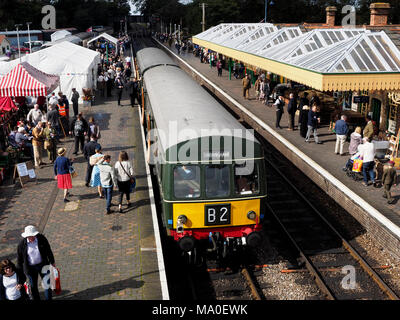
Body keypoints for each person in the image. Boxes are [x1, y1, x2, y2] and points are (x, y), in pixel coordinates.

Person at [17, 225, 55, 300]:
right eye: (29, 236)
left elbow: (48, 250)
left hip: (43, 265)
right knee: (33, 286)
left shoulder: (41, 238)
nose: (31, 238)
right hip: (30, 268)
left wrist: (52, 261)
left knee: (47, 285)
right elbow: (19, 260)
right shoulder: (21, 245)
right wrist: (19, 274)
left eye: (32, 236)